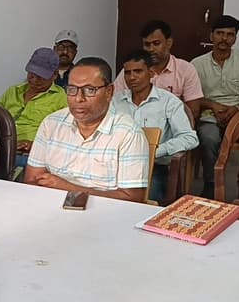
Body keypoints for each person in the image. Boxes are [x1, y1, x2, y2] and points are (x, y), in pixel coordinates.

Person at [24, 57, 149, 203]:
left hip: (104, 211)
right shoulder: (51, 123)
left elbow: (133, 199)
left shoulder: (128, 133)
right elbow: (32, 180)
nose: (78, 98)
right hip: (51, 206)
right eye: (72, 89)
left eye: (90, 90)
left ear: (109, 92)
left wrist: (68, 188)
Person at [114, 50, 199, 202]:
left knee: (142, 202)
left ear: (151, 73)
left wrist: (155, 151)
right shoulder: (115, 101)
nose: (132, 77)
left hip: (153, 167)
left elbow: (189, 138)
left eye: (138, 71)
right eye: (127, 73)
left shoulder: (168, 102)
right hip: (116, 165)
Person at [191, 15, 239, 198]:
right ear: (211, 36)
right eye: (220, 33)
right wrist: (212, 105)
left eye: (230, 35)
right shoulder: (196, 64)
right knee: (209, 137)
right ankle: (211, 183)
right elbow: (193, 96)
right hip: (209, 114)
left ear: (235, 38)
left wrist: (235, 109)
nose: (224, 39)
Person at [113, 20, 204, 118]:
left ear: (169, 43)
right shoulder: (131, 71)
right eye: (147, 44)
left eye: (156, 43)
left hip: (171, 123)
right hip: (134, 121)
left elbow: (193, 111)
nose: (151, 49)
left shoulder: (186, 70)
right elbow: (115, 102)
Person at [0, 47, 68, 168]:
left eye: (41, 77)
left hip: (33, 154)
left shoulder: (61, 98)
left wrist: (37, 144)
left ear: (54, 75)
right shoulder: (13, 91)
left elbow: (65, 135)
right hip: (2, 147)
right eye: (31, 74)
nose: (34, 80)